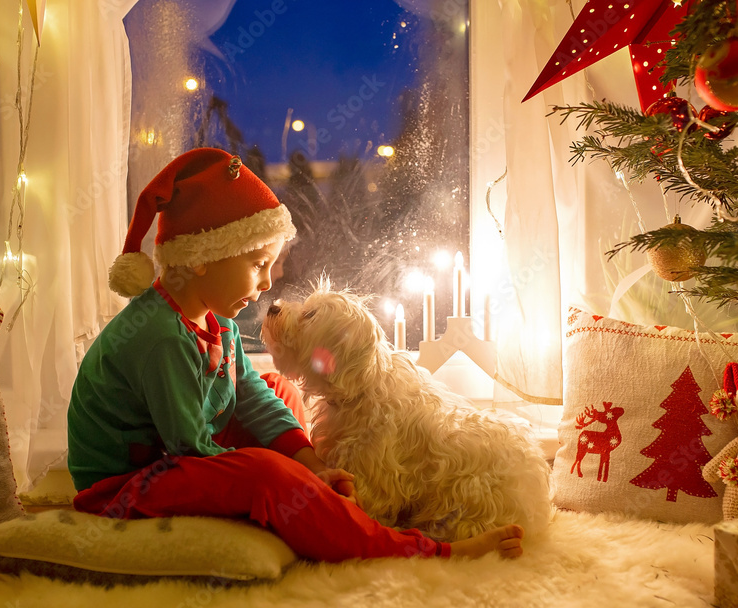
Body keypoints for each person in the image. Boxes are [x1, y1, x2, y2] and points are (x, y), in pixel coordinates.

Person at [67, 148, 523, 562]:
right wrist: (291, 477)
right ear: (204, 257)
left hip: (179, 446)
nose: (268, 284)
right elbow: (190, 448)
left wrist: (315, 465)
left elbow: (244, 389)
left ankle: (304, 489)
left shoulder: (214, 316)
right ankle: (419, 550)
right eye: (257, 266)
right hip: (128, 483)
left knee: (277, 390)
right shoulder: (161, 338)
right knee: (265, 472)